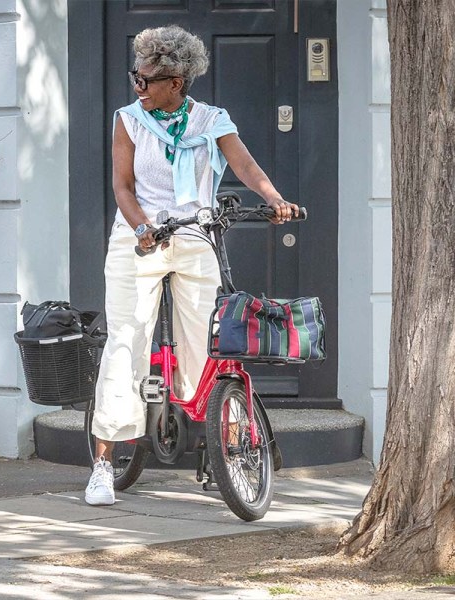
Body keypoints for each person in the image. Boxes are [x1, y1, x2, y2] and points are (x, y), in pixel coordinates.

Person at [85, 26, 299, 506]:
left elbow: (245, 166)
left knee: (207, 342)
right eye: (135, 77)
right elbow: (122, 187)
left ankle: (219, 445)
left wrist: (274, 198)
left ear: (176, 82)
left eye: (145, 80)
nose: (136, 86)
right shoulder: (129, 119)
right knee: (126, 342)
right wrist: (141, 227)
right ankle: (102, 464)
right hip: (140, 237)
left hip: (194, 234)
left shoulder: (211, 120)